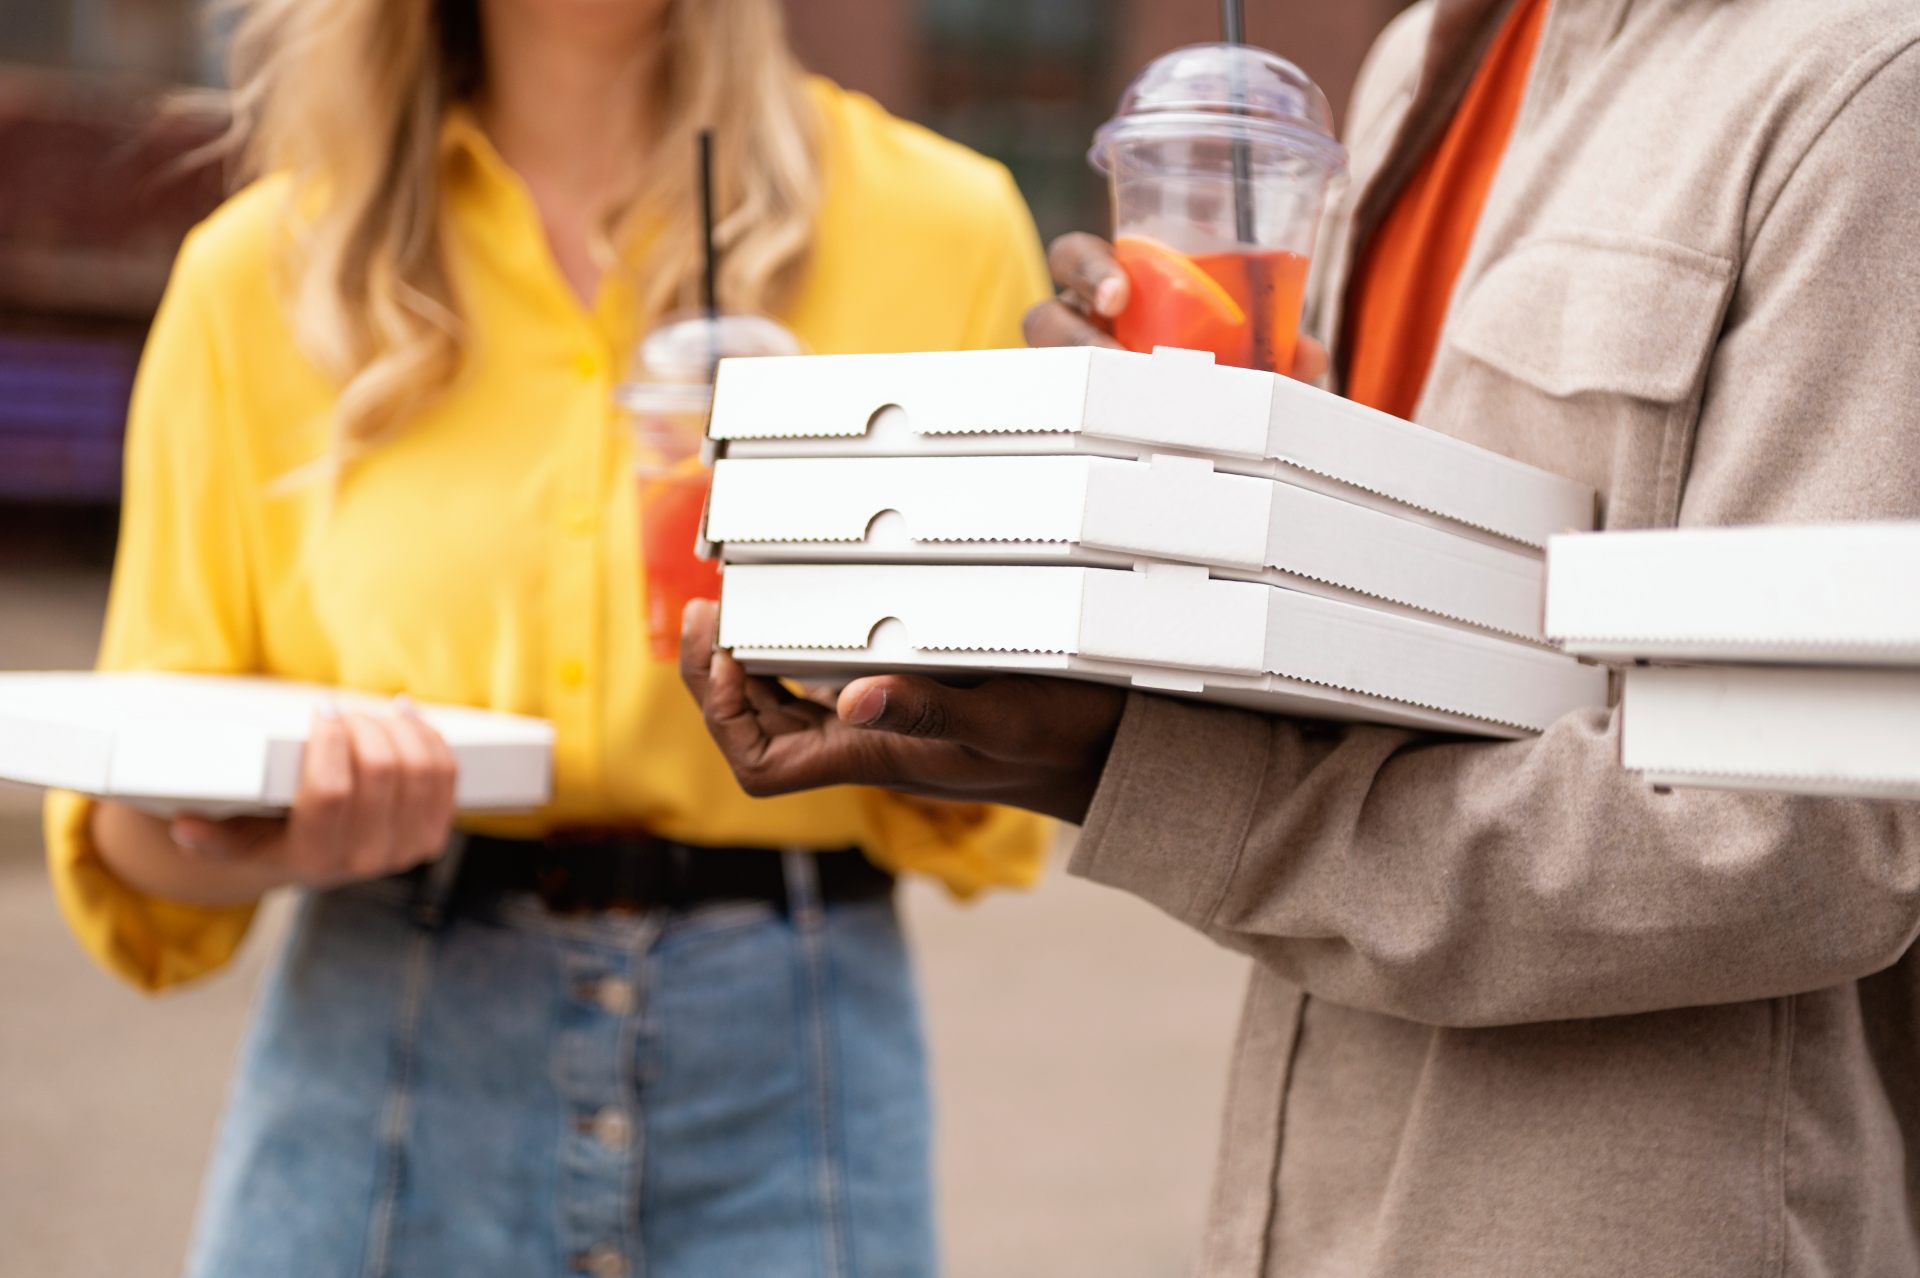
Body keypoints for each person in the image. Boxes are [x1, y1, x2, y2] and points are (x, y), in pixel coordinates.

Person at [681, 0, 1920, 1272]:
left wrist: (1155, 781)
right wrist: (1168, 493)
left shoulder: (1863, 87)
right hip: (1316, 1202)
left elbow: (1810, 834)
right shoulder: (1419, 67)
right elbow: (1394, 652)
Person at [43, 1, 1053, 1275]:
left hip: (791, 1079)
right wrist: (272, 832)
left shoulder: (941, 231)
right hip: (384, 1062)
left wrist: (911, 689)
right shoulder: (261, 271)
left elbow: (1005, 800)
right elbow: (133, 840)